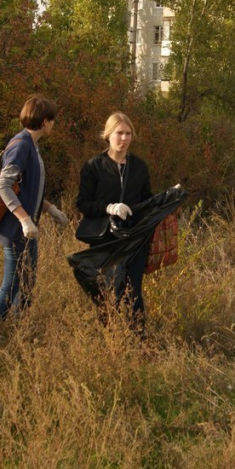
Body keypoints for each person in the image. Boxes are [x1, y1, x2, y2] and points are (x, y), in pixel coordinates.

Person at [0, 94, 69, 330]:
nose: (53, 124)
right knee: (12, 284)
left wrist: (50, 209)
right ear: (44, 121)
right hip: (16, 230)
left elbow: (26, 189)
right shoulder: (22, 145)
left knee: (26, 283)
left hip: (27, 230)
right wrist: (24, 220)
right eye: (52, 120)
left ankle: (17, 330)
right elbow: (3, 184)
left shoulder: (32, 145)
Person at [75, 111, 153, 336]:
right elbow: (83, 203)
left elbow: (146, 199)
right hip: (104, 239)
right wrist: (109, 208)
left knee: (133, 289)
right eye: (119, 133)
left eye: (128, 133)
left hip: (134, 238)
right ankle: (108, 339)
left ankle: (138, 338)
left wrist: (164, 203)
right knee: (107, 290)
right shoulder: (93, 166)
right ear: (108, 135)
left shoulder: (138, 166)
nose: (124, 138)